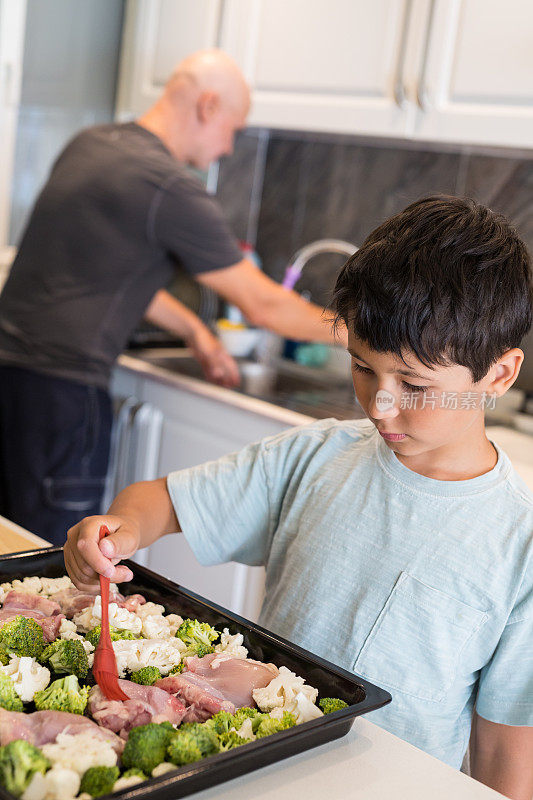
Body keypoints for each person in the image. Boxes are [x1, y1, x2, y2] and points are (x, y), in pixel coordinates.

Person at [65, 196, 533, 799]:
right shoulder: (315, 456)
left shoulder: (518, 544)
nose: (380, 404)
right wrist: (120, 529)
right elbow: (160, 501)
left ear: (498, 374)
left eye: (414, 385)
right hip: (254, 771)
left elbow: (504, 755)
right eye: (363, 368)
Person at [0, 49, 344, 545]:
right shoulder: (168, 188)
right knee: (51, 563)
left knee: (9, 545)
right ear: (207, 106)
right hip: (62, 400)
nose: (229, 146)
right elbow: (263, 305)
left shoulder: (92, 145)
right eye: (234, 127)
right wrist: (370, 331)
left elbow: (102, 277)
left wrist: (196, 332)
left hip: (11, 379)